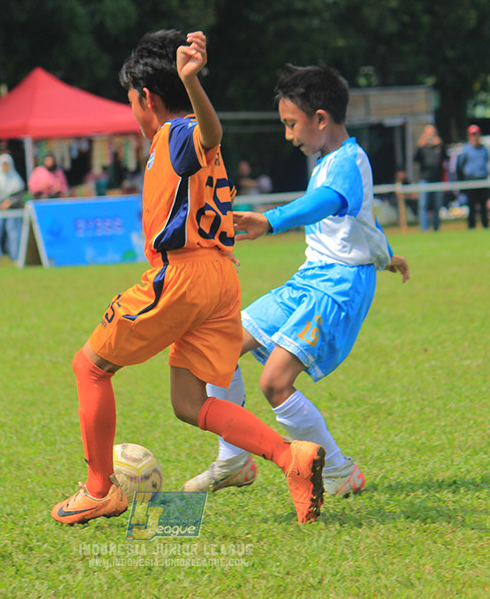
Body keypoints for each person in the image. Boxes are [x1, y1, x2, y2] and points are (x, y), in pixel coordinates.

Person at [51, 30, 327, 526]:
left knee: (89, 367)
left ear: (145, 98)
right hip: (219, 277)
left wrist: (191, 81)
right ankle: (292, 458)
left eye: (132, 103)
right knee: (188, 402)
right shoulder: (181, 142)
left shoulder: (176, 133)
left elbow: (209, 134)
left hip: (182, 275)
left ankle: (99, 491)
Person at [181, 64, 410, 498]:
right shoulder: (328, 161)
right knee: (220, 345)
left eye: (291, 124)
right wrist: (388, 258)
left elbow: (326, 204)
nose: (289, 135)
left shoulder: (348, 160)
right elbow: (359, 228)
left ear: (320, 119)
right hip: (310, 281)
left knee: (274, 382)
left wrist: (271, 219)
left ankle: (340, 471)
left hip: (336, 291)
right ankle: (233, 460)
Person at [455, 125, 490, 229]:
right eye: (473, 135)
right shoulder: (465, 150)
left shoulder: (484, 149)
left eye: (476, 134)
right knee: (471, 205)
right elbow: (460, 166)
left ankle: (485, 225)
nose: (475, 137)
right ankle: (471, 226)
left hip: (482, 179)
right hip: (471, 180)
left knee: (484, 205)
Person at [413, 124, 446, 232]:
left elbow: (446, 158)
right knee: (424, 205)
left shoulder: (439, 147)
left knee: (437, 205)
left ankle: (437, 228)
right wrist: (421, 145)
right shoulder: (423, 147)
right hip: (425, 179)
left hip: (438, 179)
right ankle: (424, 228)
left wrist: (441, 145)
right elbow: (415, 159)